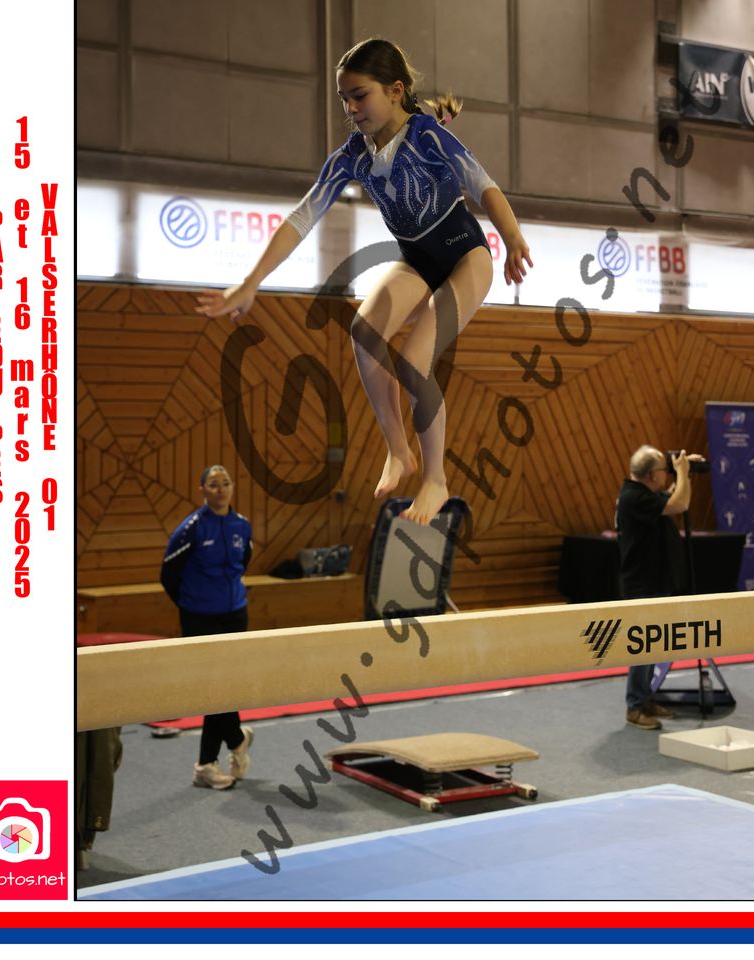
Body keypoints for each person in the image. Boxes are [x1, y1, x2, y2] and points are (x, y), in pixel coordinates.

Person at [196, 38, 532, 525]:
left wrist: (513, 238)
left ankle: (435, 478)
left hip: (466, 256)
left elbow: (483, 184)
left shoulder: (426, 136)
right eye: (344, 99)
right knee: (364, 332)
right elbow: (303, 216)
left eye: (360, 96)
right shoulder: (352, 156)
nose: (351, 109)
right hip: (417, 258)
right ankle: (399, 451)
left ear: (395, 91)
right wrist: (251, 281)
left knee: (414, 360)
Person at [160, 465, 254, 789]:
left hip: (235, 615)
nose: (221, 489)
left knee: (226, 687)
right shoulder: (192, 528)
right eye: (213, 485)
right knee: (212, 690)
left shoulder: (242, 525)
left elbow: (243, 562)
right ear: (202, 490)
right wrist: (192, 603)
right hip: (199, 617)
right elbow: (168, 574)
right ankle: (236, 740)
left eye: (225, 483)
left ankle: (207, 764)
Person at [615, 445, 705, 730]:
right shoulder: (634, 497)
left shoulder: (644, 492)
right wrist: (682, 472)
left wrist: (683, 471)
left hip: (653, 580)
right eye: (664, 471)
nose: (666, 475)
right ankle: (634, 706)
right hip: (642, 583)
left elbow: (674, 496)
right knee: (642, 648)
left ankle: (644, 698)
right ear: (652, 475)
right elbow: (681, 505)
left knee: (653, 645)